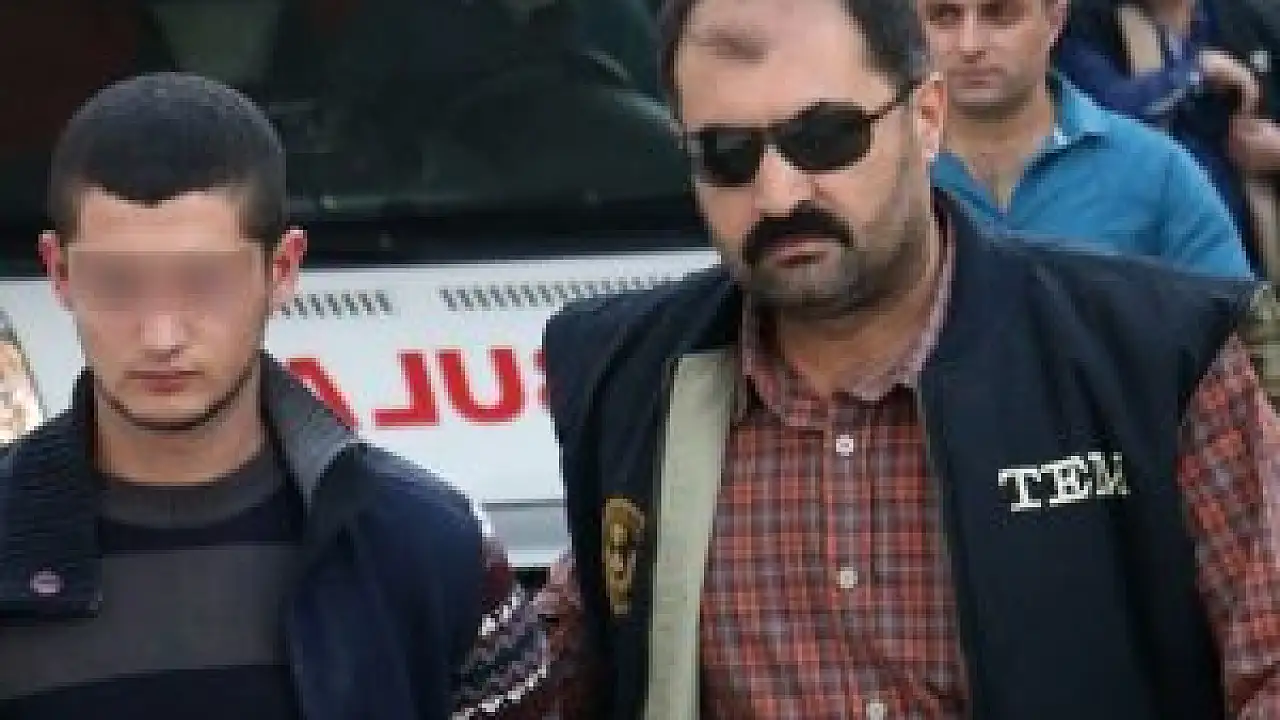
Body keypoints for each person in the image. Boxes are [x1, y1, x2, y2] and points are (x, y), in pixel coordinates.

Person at [535, 0, 1280, 717]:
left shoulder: (1159, 360)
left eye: (824, 136)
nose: (778, 194)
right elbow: (563, 662)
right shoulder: (635, 383)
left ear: (926, 119)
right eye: (727, 155)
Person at [0, 72, 553, 720]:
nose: (160, 335)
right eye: (118, 283)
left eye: (203, 282)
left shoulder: (431, 546)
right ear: (60, 274)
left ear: (282, 269)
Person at [922, 0, 1253, 278]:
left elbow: (1242, 325)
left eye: (1000, 14)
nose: (970, 45)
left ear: (1055, 19)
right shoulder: (896, 168)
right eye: (944, 16)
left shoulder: (1155, 172)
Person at [1054, 0, 1280, 276]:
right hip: (1148, 255)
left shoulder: (1248, 18)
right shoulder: (1085, 22)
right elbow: (1106, 110)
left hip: (1256, 245)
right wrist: (1194, 73)